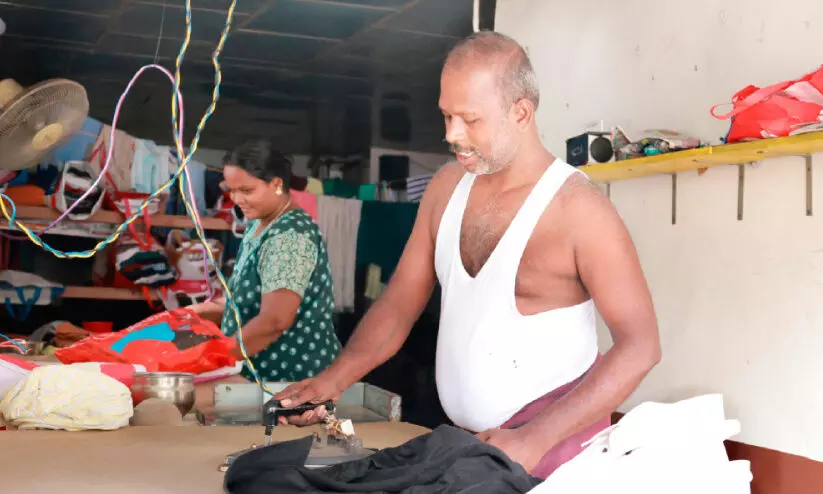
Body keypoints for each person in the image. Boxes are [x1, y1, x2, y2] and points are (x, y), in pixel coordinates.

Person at [275, 32, 661, 479]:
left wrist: (533, 440)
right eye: (446, 115)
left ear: (521, 112)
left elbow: (641, 346)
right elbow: (401, 303)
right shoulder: (445, 187)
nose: (451, 135)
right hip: (468, 444)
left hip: (549, 453)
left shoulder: (577, 210)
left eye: (470, 119)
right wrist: (331, 382)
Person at [191, 139, 341, 389]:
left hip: (292, 381)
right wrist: (197, 313)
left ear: (277, 184)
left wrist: (212, 360)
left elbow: (274, 320)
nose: (237, 199)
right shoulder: (258, 224)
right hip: (261, 375)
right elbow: (250, 297)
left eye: (247, 191)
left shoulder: (289, 238)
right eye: (231, 190)